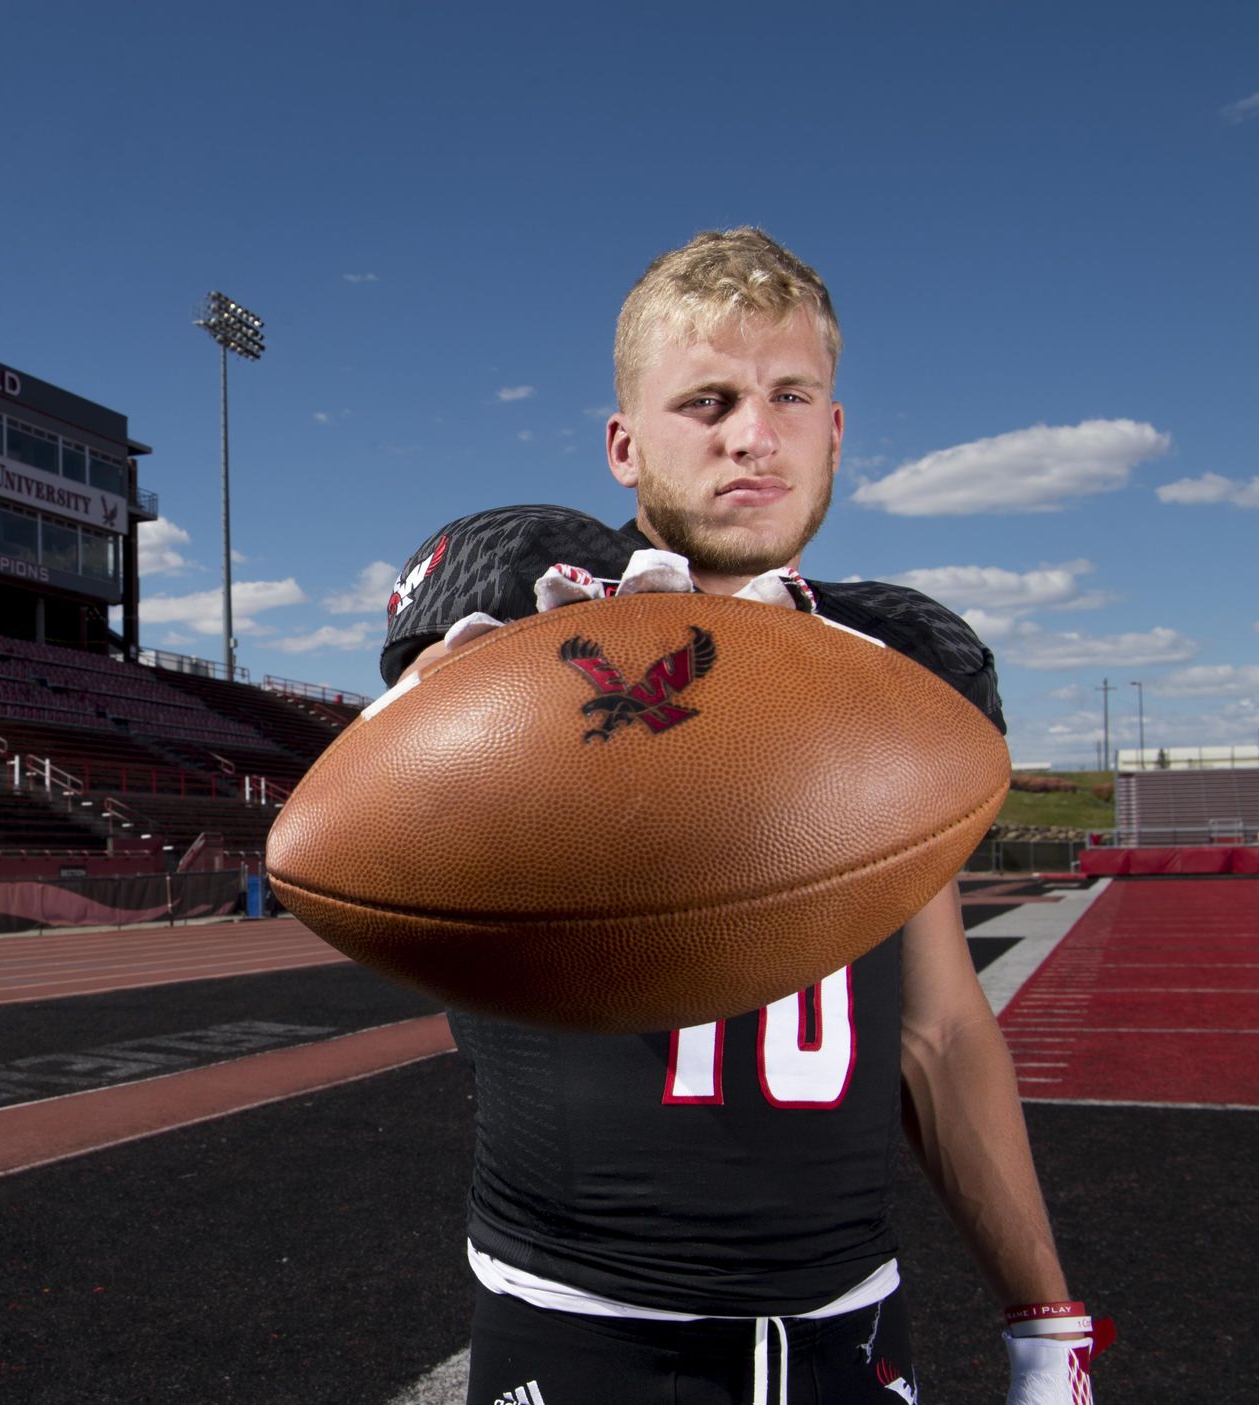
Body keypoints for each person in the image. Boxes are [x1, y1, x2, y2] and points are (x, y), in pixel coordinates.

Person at [376, 229, 1104, 1404]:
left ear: (834, 431)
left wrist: (1044, 1319)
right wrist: (466, 719)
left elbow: (937, 1025)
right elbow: (366, 829)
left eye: (787, 396)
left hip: (851, 1335)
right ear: (622, 443)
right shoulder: (524, 617)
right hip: (586, 1335)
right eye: (705, 400)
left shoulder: (897, 667)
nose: (750, 434)